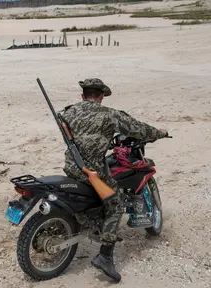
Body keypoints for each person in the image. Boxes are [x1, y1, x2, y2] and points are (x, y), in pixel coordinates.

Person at [62, 78, 168, 282]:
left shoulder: (68, 112)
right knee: (116, 204)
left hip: (71, 169)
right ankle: (105, 256)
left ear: (83, 95)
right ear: (101, 96)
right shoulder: (110, 115)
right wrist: (160, 133)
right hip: (94, 174)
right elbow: (140, 129)